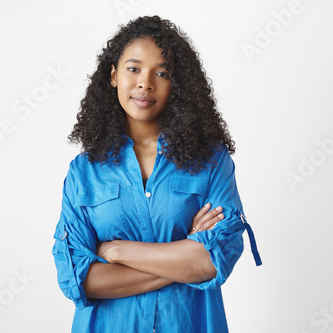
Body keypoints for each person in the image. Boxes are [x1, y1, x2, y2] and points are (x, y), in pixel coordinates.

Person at [52, 15, 262, 333]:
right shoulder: (85, 171)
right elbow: (82, 280)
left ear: (175, 84)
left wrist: (118, 251)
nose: (145, 83)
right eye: (133, 69)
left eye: (161, 73)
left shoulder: (211, 160)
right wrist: (186, 254)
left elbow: (213, 260)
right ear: (113, 76)